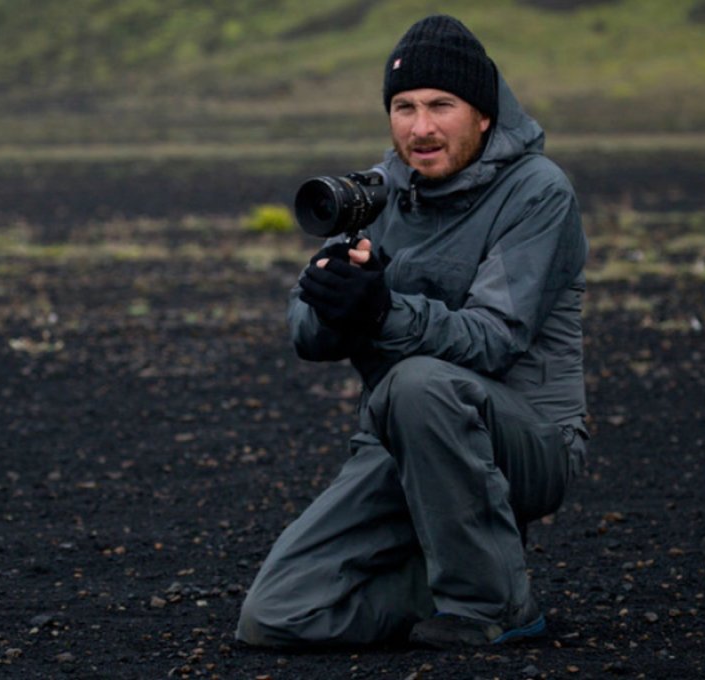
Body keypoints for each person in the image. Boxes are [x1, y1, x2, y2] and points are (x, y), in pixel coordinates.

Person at [236, 14, 589, 649]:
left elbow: (494, 338)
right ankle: (453, 566)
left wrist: (380, 312)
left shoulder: (539, 192)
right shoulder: (377, 193)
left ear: (483, 114)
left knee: (419, 383)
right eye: (403, 107)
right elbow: (305, 336)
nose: (419, 128)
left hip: (527, 440)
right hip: (402, 439)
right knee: (276, 618)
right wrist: (334, 303)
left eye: (440, 105)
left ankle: (496, 606)